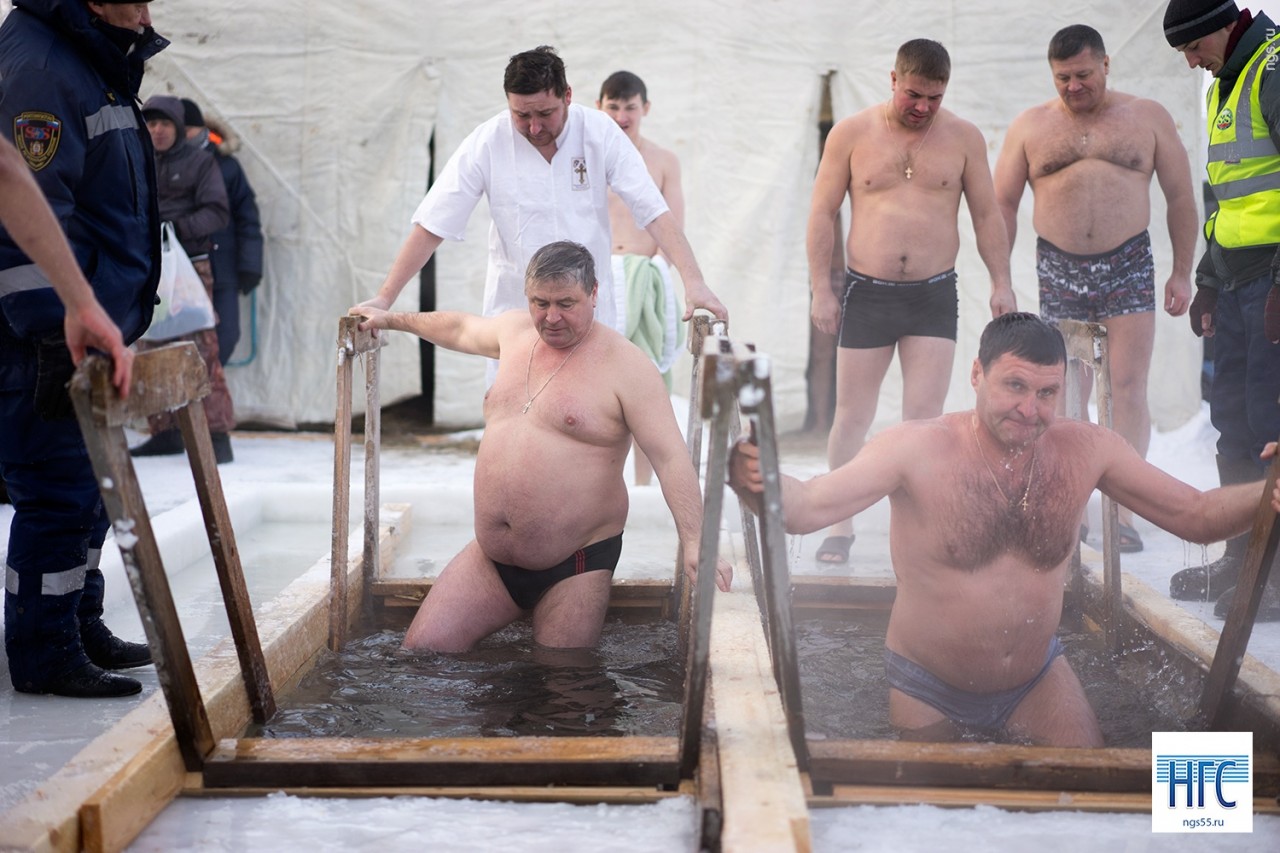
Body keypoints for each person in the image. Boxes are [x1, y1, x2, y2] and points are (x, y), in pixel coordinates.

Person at [728, 312, 1276, 747]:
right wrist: (763, 481)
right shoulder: (916, 449)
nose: (1030, 410)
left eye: (1046, 393)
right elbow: (806, 506)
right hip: (928, 685)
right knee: (934, 821)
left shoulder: (1087, 450)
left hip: (1037, 678)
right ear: (976, 375)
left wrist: (1268, 489)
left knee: (1093, 790)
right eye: (1014, 386)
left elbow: (1198, 517)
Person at [350, 241, 731, 652]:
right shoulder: (515, 333)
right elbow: (459, 327)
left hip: (576, 563)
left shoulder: (628, 366)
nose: (551, 317)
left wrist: (694, 540)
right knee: (420, 655)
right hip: (492, 559)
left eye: (566, 303)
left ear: (595, 294)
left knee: (563, 690)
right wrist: (389, 319)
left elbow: (670, 457)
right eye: (540, 302)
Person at [352, 46, 727, 356]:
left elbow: (653, 210)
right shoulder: (487, 141)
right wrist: (386, 297)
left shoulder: (600, 132)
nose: (534, 127)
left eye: (545, 114)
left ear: (567, 96)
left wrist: (694, 282)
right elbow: (434, 222)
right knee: (517, 424)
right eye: (521, 115)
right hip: (515, 315)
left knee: (595, 423)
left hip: (588, 316)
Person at [0, 0, 166, 698]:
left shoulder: (89, 56)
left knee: (92, 492)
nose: (147, 12)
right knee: (60, 494)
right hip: (45, 337)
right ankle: (44, 650)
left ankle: (77, 618)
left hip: (93, 327)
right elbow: (25, 214)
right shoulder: (41, 67)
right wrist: (55, 322)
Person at [807, 39, 1016, 565]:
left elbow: (987, 215)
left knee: (923, 419)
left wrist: (1001, 282)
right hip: (867, 291)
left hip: (932, 294)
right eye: (915, 94)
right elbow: (821, 212)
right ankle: (840, 522)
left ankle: (915, 527)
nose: (923, 107)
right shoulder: (851, 134)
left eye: (935, 97)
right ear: (893, 79)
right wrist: (820, 288)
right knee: (853, 414)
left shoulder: (964, 138)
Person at [994, 24, 1199, 556]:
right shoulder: (1030, 126)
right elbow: (1001, 207)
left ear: (1106, 65)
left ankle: (1124, 511)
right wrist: (999, 279)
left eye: (1083, 75)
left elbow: (1180, 195)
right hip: (1058, 266)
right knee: (1066, 394)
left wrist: (1182, 271)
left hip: (1128, 262)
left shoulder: (1146, 117)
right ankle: (1073, 507)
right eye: (1063, 78)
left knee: (1127, 386)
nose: (1074, 87)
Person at [1165, 0, 1280, 621]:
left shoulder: (1274, 66)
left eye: (1191, 47)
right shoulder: (1224, 82)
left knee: (1272, 426)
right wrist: (1208, 276)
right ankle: (1246, 555)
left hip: (1272, 280)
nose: (1189, 62)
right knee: (1232, 418)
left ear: (1219, 26)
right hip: (1236, 281)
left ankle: (1277, 572)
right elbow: (1226, 195)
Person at [129, 94, 234, 464]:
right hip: (149, 271)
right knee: (152, 348)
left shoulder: (200, 162)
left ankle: (217, 434)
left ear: (177, 127)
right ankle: (165, 432)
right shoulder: (135, 161)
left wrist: (174, 229)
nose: (157, 131)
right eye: (151, 124)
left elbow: (217, 211)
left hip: (190, 268)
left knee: (201, 348)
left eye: (165, 124)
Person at [597, 70, 686, 485]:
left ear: (644, 109)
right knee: (600, 385)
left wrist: (658, 274)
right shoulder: (590, 155)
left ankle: (645, 485)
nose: (621, 114)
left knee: (645, 384)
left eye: (629, 106)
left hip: (643, 276)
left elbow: (672, 225)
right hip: (598, 276)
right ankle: (602, 480)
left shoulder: (664, 160)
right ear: (600, 107)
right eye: (613, 106)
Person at [180, 97, 264, 367]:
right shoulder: (163, 164)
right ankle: (189, 402)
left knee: (226, 337)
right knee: (178, 339)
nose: (182, 136)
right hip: (179, 270)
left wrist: (250, 265)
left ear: (201, 129)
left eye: (187, 129)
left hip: (222, 268)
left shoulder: (227, 166)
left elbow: (247, 217)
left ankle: (203, 397)